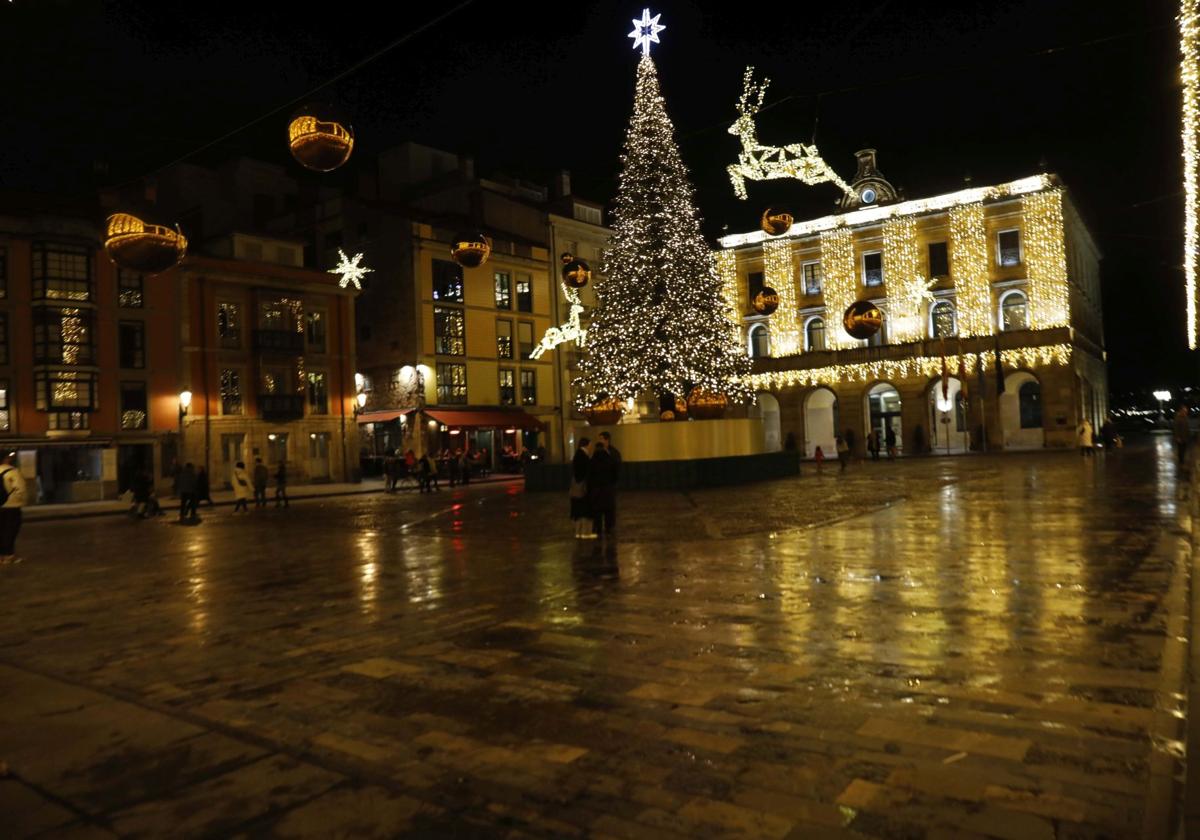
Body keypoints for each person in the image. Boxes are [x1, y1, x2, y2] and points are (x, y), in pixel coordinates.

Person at [588, 436, 618, 539]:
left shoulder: (592, 461)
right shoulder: (609, 459)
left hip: (596, 490)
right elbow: (615, 474)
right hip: (608, 489)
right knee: (608, 510)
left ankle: (598, 528)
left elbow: (589, 476)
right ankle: (608, 529)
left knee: (597, 511)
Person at [0, 452, 27, 564]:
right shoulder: (12, 471)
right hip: (11, 506)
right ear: (6, 459)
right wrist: (22, 501)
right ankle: (8, 555)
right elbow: (21, 489)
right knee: (10, 531)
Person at [597, 431, 621, 531]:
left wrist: (613, 481)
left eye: (601, 439)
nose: (599, 441)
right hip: (600, 485)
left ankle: (609, 525)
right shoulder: (598, 452)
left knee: (610, 506)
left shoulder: (614, 453)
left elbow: (617, 468)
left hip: (610, 484)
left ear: (607, 440)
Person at [570, 437, 594, 539]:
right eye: (590, 444)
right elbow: (585, 471)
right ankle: (584, 532)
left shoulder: (578, 454)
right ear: (587, 444)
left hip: (577, 485)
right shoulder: (583, 456)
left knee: (577, 508)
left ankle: (578, 532)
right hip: (581, 485)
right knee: (583, 507)